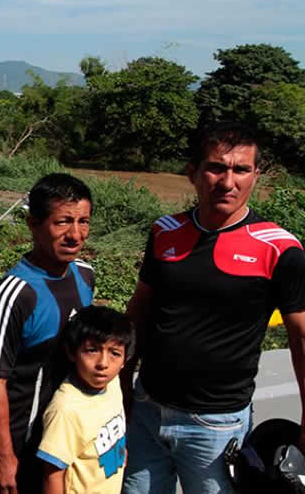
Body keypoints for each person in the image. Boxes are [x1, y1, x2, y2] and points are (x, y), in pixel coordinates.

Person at [121, 122, 305, 494]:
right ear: (192, 173)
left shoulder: (279, 248)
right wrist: (120, 385)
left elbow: (302, 338)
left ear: (256, 175)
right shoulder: (164, 232)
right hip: (147, 411)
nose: (228, 181)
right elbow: (139, 310)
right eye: (216, 167)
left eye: (241, 170)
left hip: (215, 426)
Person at [0, 173, 95, 493]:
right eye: (63, 222)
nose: (75, 234)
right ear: (34, 224)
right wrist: (2, 456)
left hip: (65, 440)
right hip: (25, 444)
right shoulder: (13, 295)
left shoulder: (85, 276)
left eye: (83, 221)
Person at [38, 305, 133, 494]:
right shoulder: (66, 410)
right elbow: (53, 474)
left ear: (125, 359)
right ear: (72, 352)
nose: (103, 364)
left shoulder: (113, 384)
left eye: (114, 353)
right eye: (92, 350)